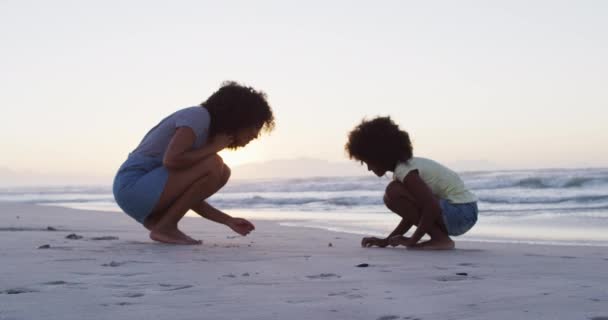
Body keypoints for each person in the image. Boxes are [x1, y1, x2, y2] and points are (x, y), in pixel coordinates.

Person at [113, 81, 275, 245]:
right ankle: (165, 226)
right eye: (255, 126)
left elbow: (188, 196)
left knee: (223, 171)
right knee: (215, 164)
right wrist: (212, 148)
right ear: (239, 117)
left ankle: (164, 224)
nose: (256, 135)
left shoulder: (205, 132)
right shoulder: (198, 116)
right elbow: (172, 160)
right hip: (132, 186)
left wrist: (228, 220)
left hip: (146, 197)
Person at [345, 117, 477, 250]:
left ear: (379, 155)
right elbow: (413, 214)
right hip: (462, 213)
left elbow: (431, 207)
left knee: (393, 192)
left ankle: (440, 239)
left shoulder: (405, 170)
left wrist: (412, 241)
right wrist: (386, 241)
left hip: (461, 212)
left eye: (367, 161)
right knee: (390, 196)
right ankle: (439, 238)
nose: (368, 168)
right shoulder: (403, 170)